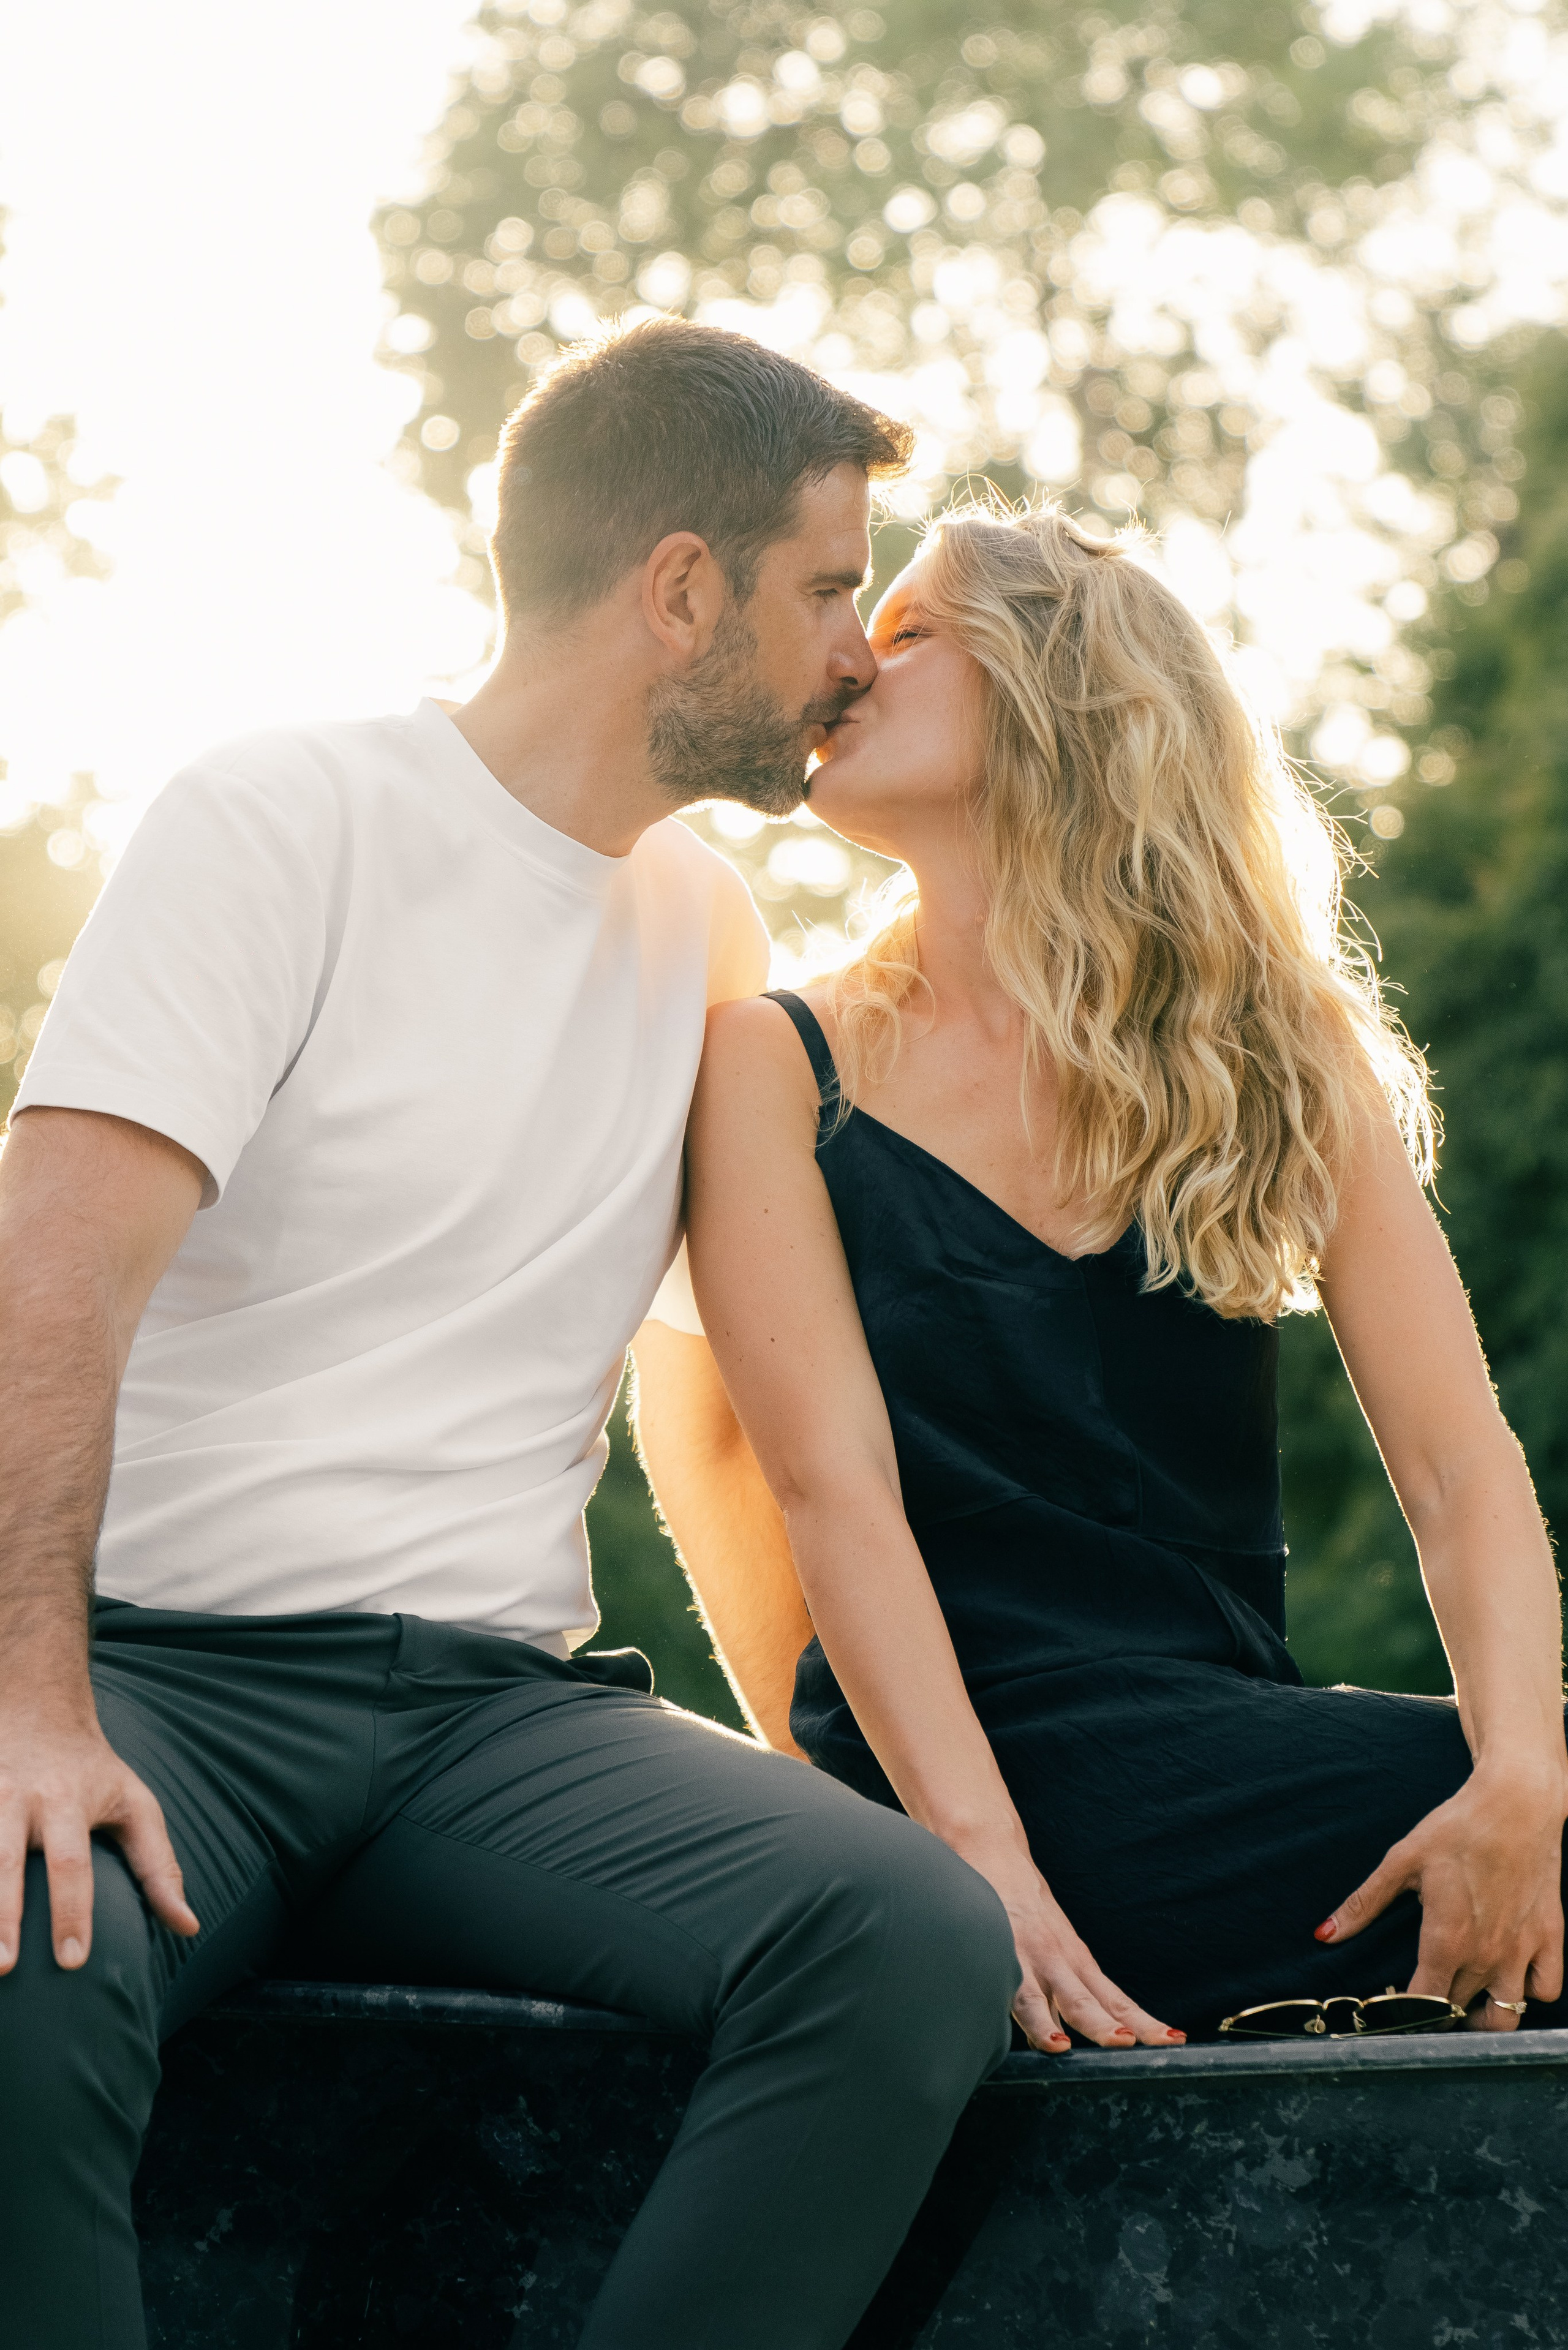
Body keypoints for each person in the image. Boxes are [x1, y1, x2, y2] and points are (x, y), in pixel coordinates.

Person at [0, 321, 1022, 2350]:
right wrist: (31, 1705)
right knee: (22, 1948)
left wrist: (804, 1759)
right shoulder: (279, 816)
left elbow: (718, 1418)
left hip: (493, 1724)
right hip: (166, 1684)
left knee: (906, 1932)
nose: (856, 653)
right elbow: (51, 1279)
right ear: (676, 591)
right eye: (831, 588)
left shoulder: (707, 926)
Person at [679, 502, 1568, 2052]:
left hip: (1212, 1744)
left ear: (1051, 682)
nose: (838, 672)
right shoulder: (771, 1058)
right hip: (959, 1765)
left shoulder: (1278, 1046)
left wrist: (1518, 1777)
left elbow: (1453, 1464)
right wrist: (981, 1868)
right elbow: (830, 1498)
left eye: (902, 636)